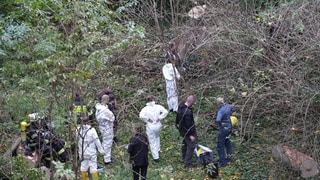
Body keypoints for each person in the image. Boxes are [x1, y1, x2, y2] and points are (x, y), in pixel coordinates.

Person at [139, 95, 168, 162]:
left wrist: (148, 119)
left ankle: (156, 157)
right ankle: (158, 150)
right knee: (157, 137)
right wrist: (159, 118)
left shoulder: (145, 109)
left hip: (151, 125)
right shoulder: (158, 106)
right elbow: (165, 112)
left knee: (152, 141)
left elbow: (141, 116)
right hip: (158, 125)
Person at [75, 115, 104, 180]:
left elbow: (76, 141)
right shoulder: (92, 130)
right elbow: (97, 141)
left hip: (82, 153)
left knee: (83, 167)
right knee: (93, 168)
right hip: (91, 153)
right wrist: (101, 151)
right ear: (89, 121)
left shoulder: (78, 130)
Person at [175, 95, 197, 168]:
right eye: (193, 102)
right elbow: (188, 125)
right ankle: (187, 164)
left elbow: (177, 120)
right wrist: (190, 134)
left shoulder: (180, 107)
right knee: (191, 146)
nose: (194, 104)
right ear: (191, 102)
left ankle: (184, 157)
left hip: (182, 130)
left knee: (185, 143)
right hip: (186, 131)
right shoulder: (187, 112)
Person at [95, 95, 115, 165]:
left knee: (105, 142)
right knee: (107, 144)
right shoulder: (104, 110)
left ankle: (103, 156)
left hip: (102, 127)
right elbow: (112, 118)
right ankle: (107, 160)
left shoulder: (98, 108)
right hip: (107, 128)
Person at [215, 97, 235, 167]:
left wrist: (220, 123)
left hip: (223, 129)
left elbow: (218, 119)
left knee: (220, 145)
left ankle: (222, 162)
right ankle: (229, 159)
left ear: (218, 103)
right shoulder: (228, 107)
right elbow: (233, 108)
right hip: (229, 127)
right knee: (227, 143)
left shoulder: (221, 110)